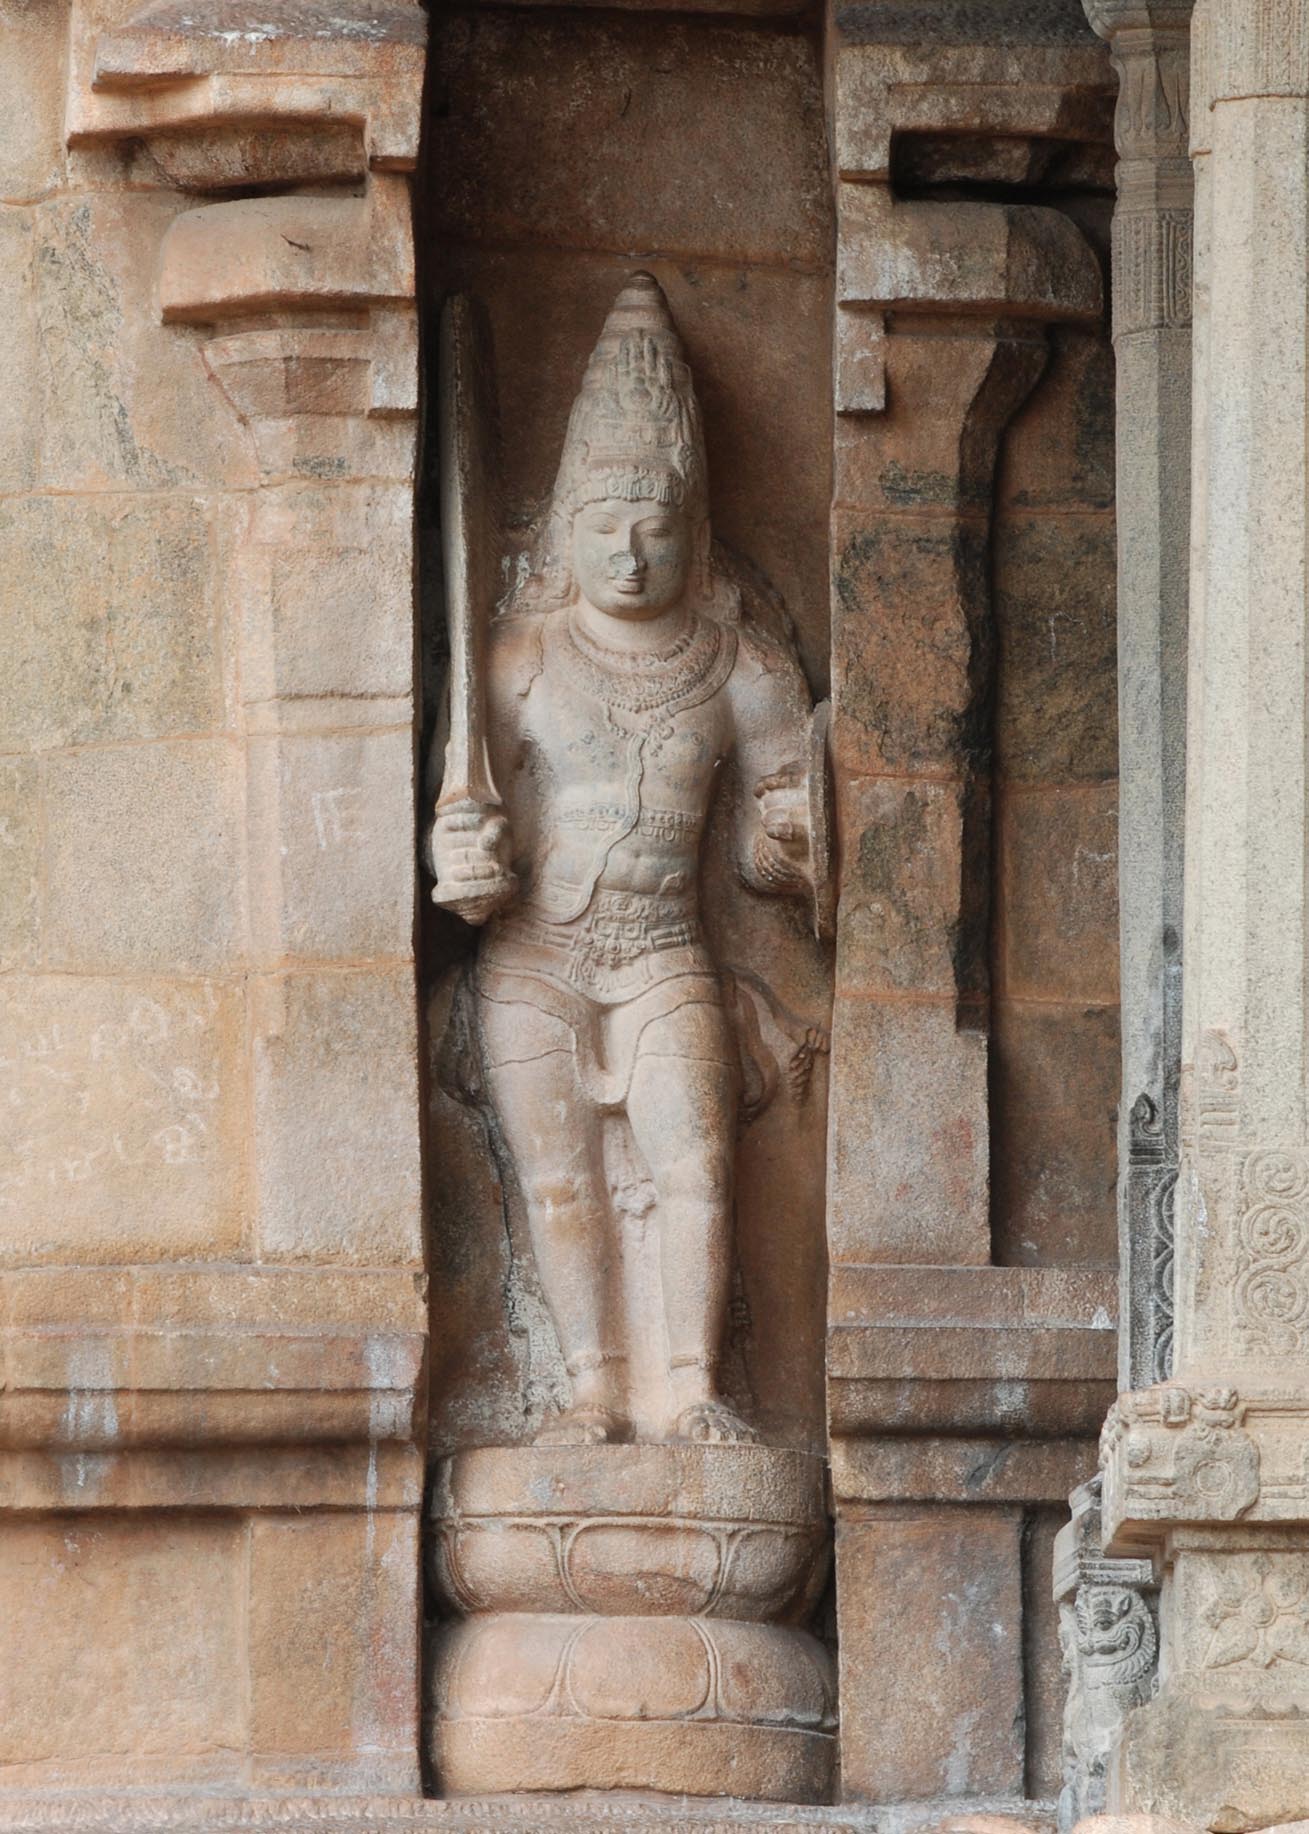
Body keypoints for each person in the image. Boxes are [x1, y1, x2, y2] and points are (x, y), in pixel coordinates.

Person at [430, 273, 822, 1446]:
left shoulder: (743, 668)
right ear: (567, 525)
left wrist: (792, 836)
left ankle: (693, 1387)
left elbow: (772, 854)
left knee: (695, 1164)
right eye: (605, 525)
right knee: (558, 1183)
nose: (632, 553)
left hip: (663, 953)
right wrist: (464, 855)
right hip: (536, 956)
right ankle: (592, 1389)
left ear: (691, 527)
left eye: (655, 525)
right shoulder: (516, 661)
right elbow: (468, 826)